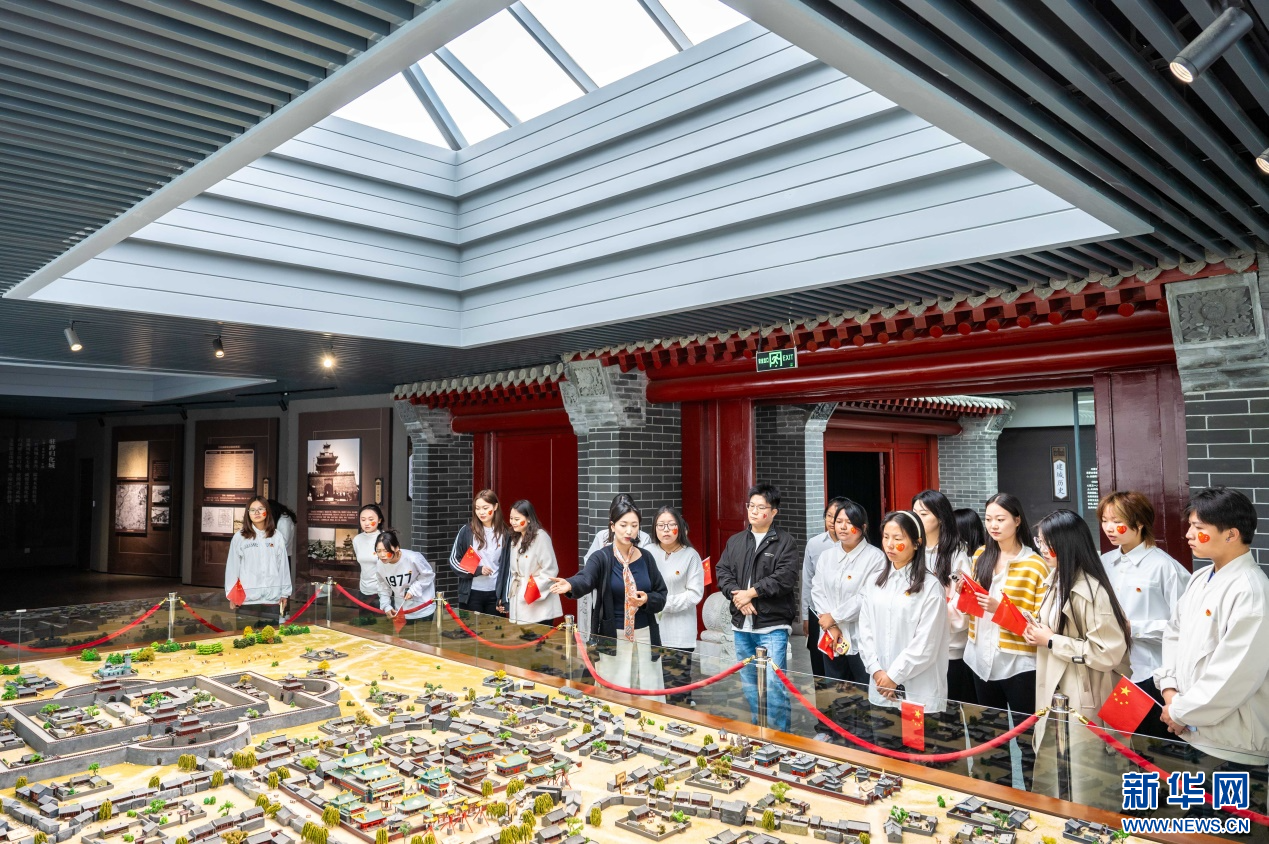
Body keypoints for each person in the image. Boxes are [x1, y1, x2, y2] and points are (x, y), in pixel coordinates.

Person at [1157, 487, 1269, 775]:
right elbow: (1173, 634)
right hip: (1189, 727)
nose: (1189, 535)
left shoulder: (1251, 590)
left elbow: (1235, 675)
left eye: (1199, 528)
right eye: (1190, 526)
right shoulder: (1199, 578)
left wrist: (1178, 710)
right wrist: (1169, 690)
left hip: (1232, 743)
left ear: (1231, 534)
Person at [1024, 509, 1132, 802]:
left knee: (1088, 783)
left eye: (1047, 543)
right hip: (1059, 695)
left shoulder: (1090, 591)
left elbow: (1106, 653)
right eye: (1039, 541)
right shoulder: (1057, 580)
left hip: (1085, 698)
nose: (1041, 548)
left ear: (1066, 544)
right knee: (1060, 778)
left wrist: (1051, 640)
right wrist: (1039, 634)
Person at [550, 498, 667, 699]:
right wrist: (571, 584)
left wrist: (647, 599)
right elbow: (586, 578)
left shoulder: (646, 558)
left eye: (634, 525)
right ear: (612, 526)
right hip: (613, 636)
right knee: (614, 693)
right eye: (623, 525)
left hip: (645, 635)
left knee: (649, 691)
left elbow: (661, 594)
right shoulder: (602, 557)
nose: (629, 531)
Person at [1097, 490, 1190, 740]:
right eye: (1105, 521)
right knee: (1122, 744)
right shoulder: (1105, 562)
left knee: (1156, 746)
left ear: (1139, 523)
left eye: (1117, 521)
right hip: (1116, 671)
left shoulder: (1165, 567)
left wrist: (1134, 627)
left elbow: (1186, 627)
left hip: (1152, 674)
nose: (1109, 528)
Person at [716, 483, 800, 732]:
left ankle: (780, 737)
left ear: (773, 512)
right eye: (751, 506)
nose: (753, 511)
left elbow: (784, 578)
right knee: (750, 685)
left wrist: (751, 593)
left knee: (774, 685)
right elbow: (723, 572)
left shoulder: (785, 542)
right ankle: (758, 733)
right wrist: (738, 597)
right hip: (742, 625)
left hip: (772, 625)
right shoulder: (735, 541)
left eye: (760, 507)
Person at [962, 492, 1049, 716]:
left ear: (1017, 520)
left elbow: (1040, 621)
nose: (993, 525)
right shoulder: (980, 555)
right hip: (979, 656)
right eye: (988, 519)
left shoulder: (1035, 564)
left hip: (1018, 662)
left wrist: (999, 608)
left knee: (1026, 730)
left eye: (1000, 519)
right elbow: (973, 608)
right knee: (988, 730)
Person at [857, 511, 949, 716]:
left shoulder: (930, 587)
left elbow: (926, 644)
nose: (890, 544)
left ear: (917, 543)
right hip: (880, 687)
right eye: (886, 537)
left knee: (917, 738)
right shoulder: (874, 582)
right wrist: (876, 671)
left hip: (918, 693)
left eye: (898, 539)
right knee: (882, 736)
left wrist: (894, 677)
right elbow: (865, 632)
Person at [810, 500, 885, 684]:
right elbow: (818, 590)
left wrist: (834, 617)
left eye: (849, 522)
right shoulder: (827, 556)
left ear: (863, 527)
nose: (843, 527)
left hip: (862, 638)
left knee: (863, 692)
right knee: (834, 692)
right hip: (830, 636)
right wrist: (831, 625)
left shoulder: (876, 558)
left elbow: (866, 597)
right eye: (839, 521)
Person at [914, 490, 976, 705]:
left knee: (949, 712)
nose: (917, 519)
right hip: (915, 646)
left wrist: (926, 617)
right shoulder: (913, 550)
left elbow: (963, 603)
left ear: (940, 518)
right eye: (914, 513)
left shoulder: (956, 554)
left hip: (949, 648)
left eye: (923, 514)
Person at [647, 506, 704, 703]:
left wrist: (662, 603)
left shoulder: (690, 555)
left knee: (676, 689)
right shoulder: (647, 552)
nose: (665, 530)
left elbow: (694, 594)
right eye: (661, 525)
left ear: (679, 527)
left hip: (679, 633)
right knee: (652, 689)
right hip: (650, 631)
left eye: (671, 525)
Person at [578, 493, 654, 639]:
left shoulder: (643, 538)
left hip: (637, 604)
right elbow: (589, 564)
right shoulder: (602, 536)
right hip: (609, 598)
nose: (628, 530)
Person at [226, 496, 292, 622]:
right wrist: (231, 594)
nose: (256, 513)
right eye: (252, 510)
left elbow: (283, 566)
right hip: (247, 599)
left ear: (267, 511)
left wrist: (285, 593)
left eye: (260, 509)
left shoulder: (276, 536)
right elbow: (232, 568)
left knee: (269, 633)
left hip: (271, 598)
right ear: (248, 513)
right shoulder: (240, 537)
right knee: (246, 633)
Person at [498, 500, 563, 626]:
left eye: (517, 519)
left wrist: (529, 591)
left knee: (538, 635)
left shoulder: (541, 537)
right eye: (511, 518)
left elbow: (550, 570)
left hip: (538, 602)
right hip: (518, 597)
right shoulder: (515, 538)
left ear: (528, 518)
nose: (513, 522)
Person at [803, 497, 847, 678]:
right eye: (829, 516)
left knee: (842, 663)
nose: (831, 521)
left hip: (844, 615)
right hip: (818, 613)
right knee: (819, 663)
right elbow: (807, 581)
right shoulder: (814, 544)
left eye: (836, 517)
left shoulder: (854, 546)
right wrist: (805, 615)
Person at [448, 490, 510, 615]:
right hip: (471, 593)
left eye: (485, 508)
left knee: (494, 627)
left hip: (495, 594)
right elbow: (454, 560)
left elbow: (508, 568)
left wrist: (504, 597)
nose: (481, 512)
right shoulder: (467, 531)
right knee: (469, 627)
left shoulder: (505, 533)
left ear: (495, 507)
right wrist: (477, 570)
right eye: (477, 508)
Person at [373, 527, 435, 623]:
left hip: (423, 609)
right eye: (378, 551)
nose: (382, 555)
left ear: (397, 548)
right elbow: (383, 586)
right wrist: (386, 606)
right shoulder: (380, 564)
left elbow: (428, 576)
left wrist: (413, 590)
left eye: (386, 551)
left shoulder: (413, 558)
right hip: (401, 610)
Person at [352, 504, 386, 621]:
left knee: (381, 627)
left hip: (382, 592)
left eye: (371, 519)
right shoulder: (357, 539)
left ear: (379, 520)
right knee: (365, 625)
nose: (366, 523)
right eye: (363, 520)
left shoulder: (385, 539)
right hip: (363, 590)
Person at [268, 499, 298, 582]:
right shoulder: (281, 519)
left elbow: (284, 542)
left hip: (281, 558)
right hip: (276, 557)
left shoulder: (284, 520)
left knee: (280, 584)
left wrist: (268, 544)